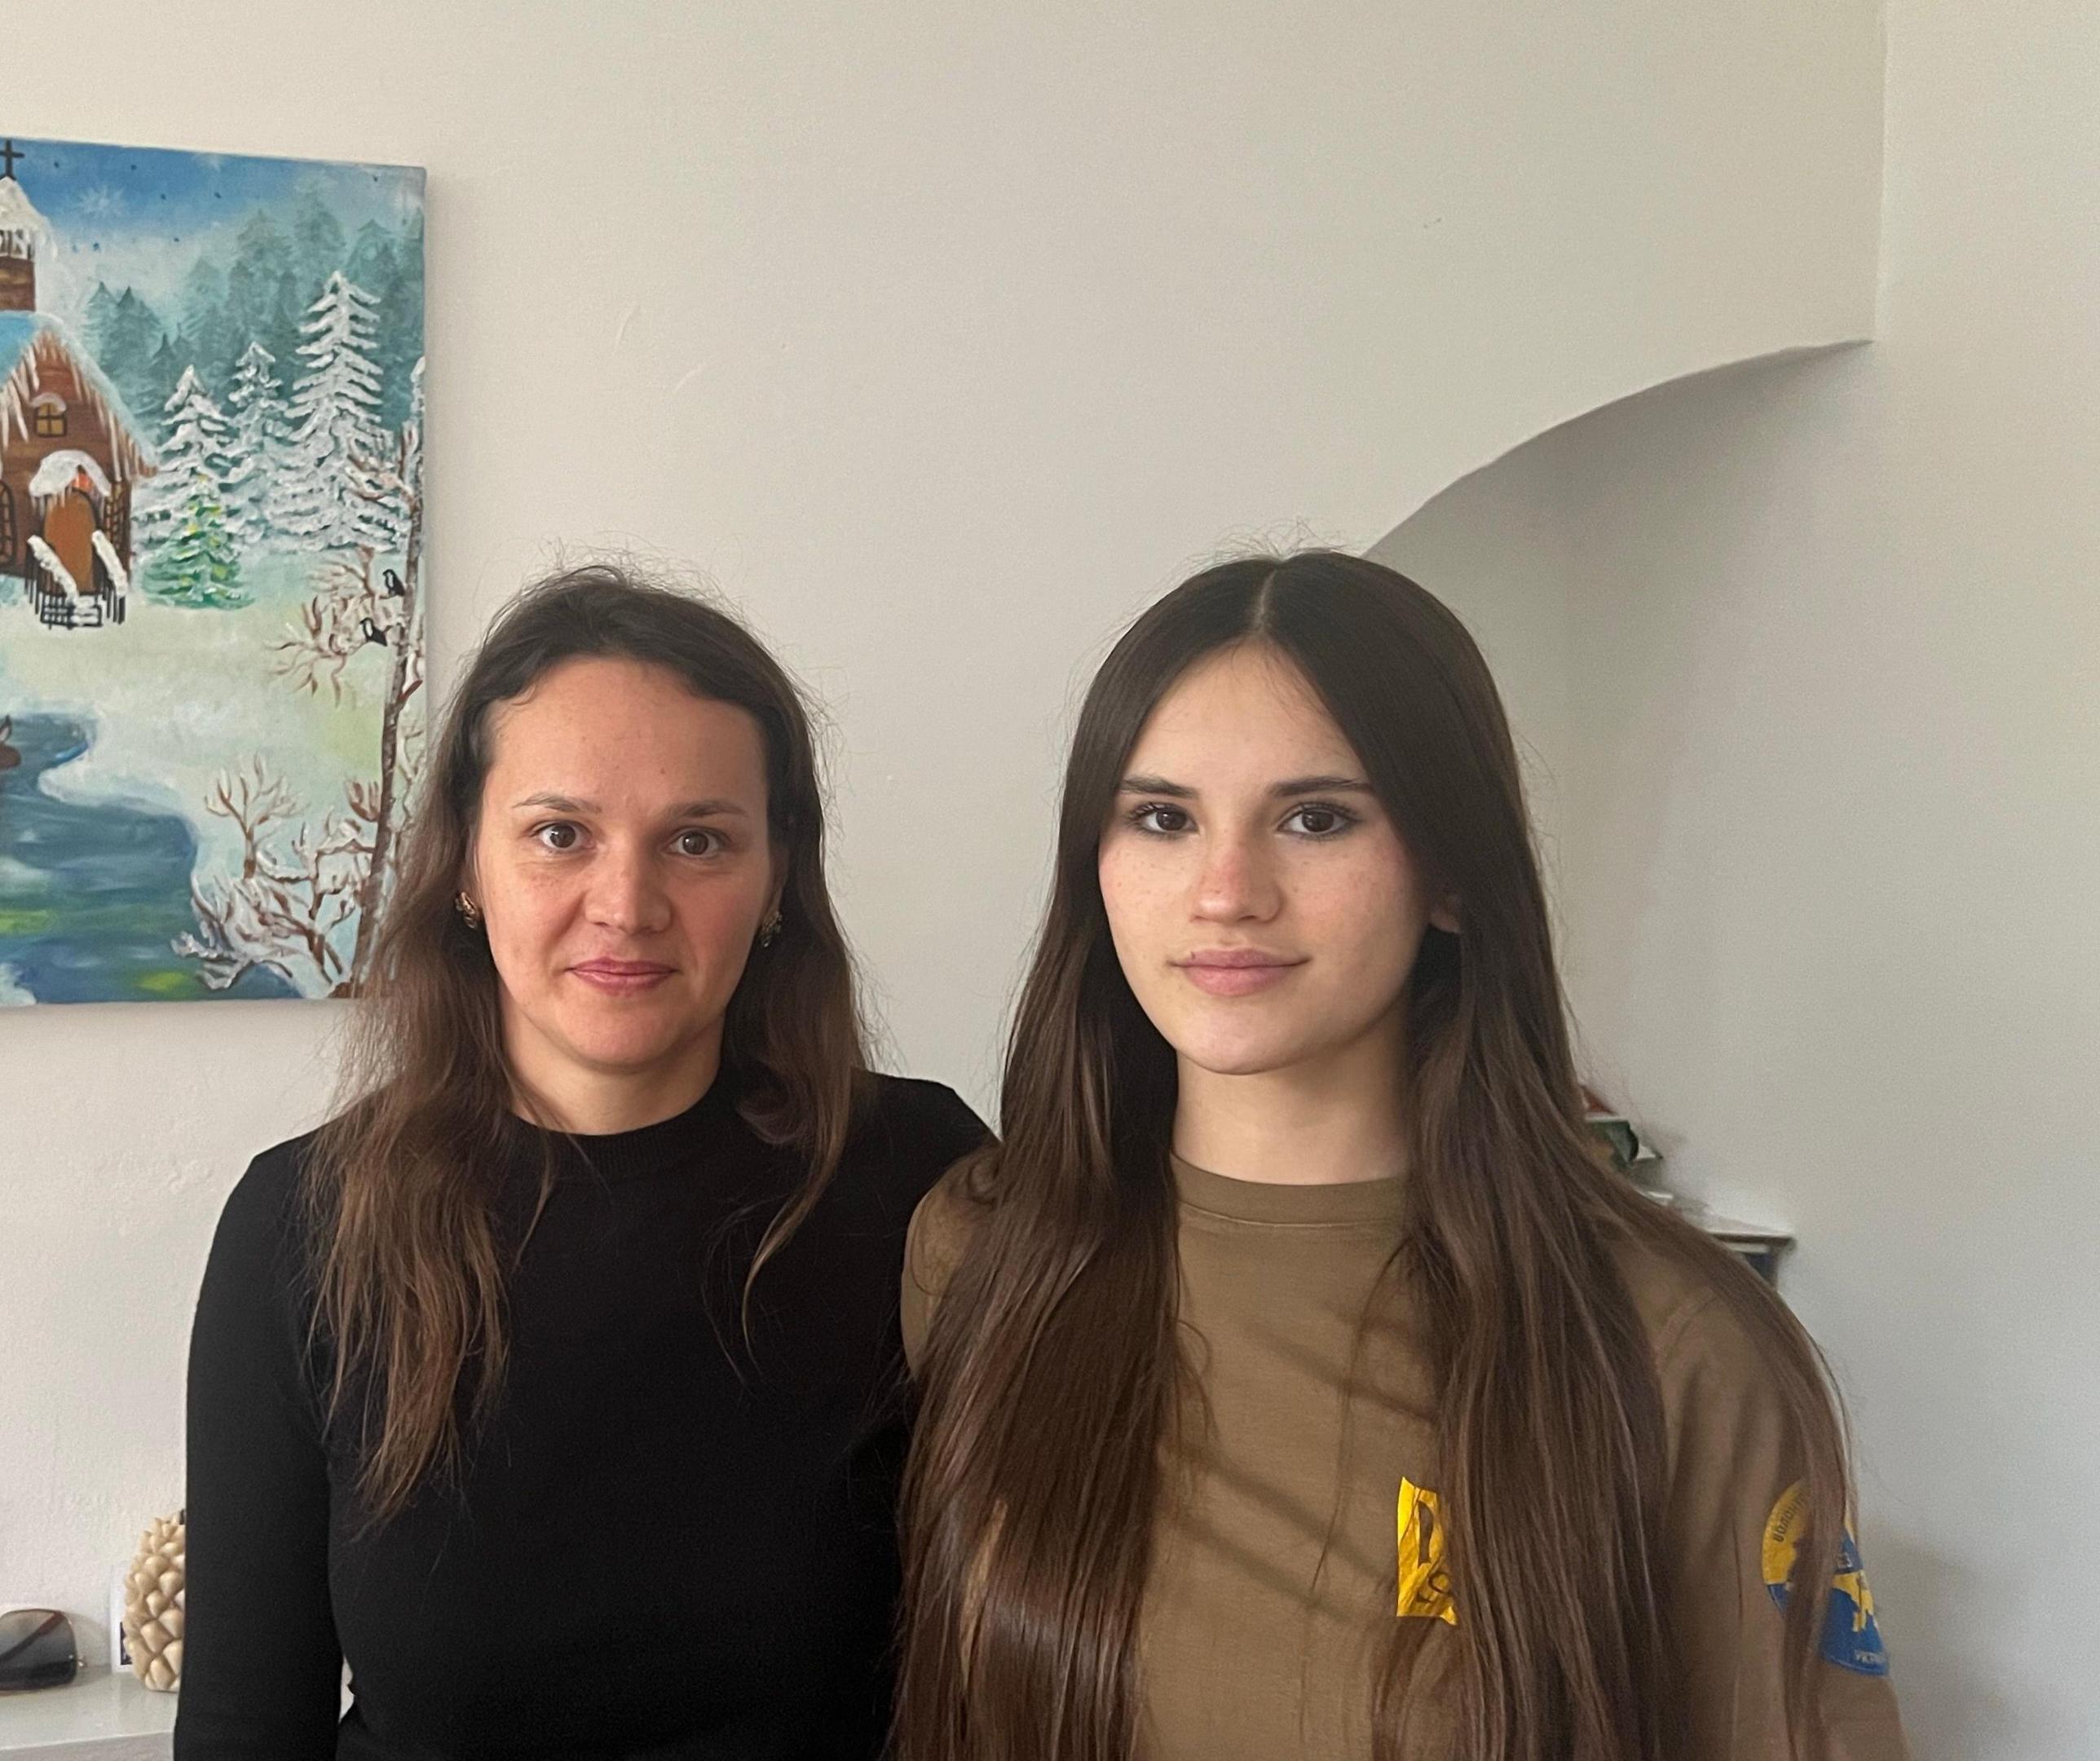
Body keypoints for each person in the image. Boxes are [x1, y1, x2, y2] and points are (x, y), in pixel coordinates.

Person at [897, 552, 1906, 1761]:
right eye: (1162, 817)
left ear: (1451, 877)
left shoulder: (1668, 1344)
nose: (1226, 892)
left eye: (1315, 818)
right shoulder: (984, 1253)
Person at [181, 565, 991, 1760]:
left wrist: (1397, 1576)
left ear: (776, 880)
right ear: (464, 865)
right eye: (561, 834)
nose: (627, 903)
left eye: (698, 841)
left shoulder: (924, 1181)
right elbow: (247, 1727)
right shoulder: (302, 1224)